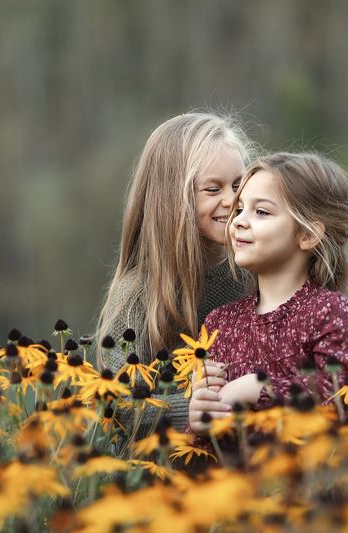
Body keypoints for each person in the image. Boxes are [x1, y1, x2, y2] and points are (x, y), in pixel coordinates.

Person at [188, 152, 348, 436]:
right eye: (239, 210)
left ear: (308, 234)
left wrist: (258, 387)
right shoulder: (220, 324)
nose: (238, 221)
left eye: (260, 212)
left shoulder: (328, 312)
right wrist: (200, 421)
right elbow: (208, 437)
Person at [96, 112, 254, 432]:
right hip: (165, 470)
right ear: (173, 200)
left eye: (238, 184)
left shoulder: (252, 275)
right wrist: (186, 411)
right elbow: (118, 401)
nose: (232, 199)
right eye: (213, 190)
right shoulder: (138, 294)